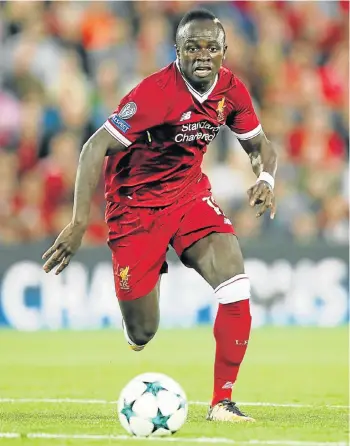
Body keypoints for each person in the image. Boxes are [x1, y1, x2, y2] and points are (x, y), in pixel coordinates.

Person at [42, 9, 277, 422]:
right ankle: (140, 305)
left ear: (224, 51)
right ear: (177, 51)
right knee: (143, 331)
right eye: (192, 47)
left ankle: (222, 401)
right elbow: (94, 147)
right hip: (134, 208)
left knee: (236, 283)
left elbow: (259, 145)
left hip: (188, 196)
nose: (202, 55)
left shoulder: (231, 90)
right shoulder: (152, 94)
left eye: (211, 47)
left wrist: (267, 178)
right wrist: (79, 223)